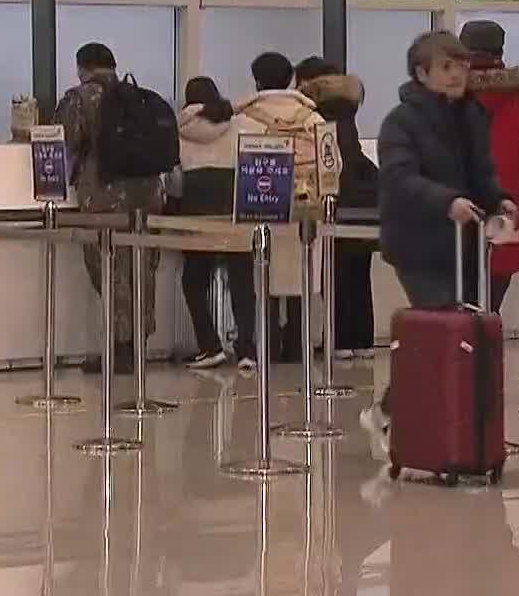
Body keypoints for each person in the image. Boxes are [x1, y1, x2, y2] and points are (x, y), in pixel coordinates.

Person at [361, 30, 513, 455]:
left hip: (466, 244)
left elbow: (481, 171)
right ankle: (389, 415)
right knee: (437, 328)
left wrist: (498, 200)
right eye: (446, 67)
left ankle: (453, 428)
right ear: (422, 73)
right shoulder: (400, 122)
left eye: (462, 66)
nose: (456, 75)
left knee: (469, 335)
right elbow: (399, 177)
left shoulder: (472, 116)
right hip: (418, 244)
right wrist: (446, 202)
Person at [54, 41, 164, 374]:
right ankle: (138, 346)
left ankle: (119, 350)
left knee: (109, 268)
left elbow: (64, 140)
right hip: (147, 195)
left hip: (104, 196)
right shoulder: (140, 95)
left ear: (82, 67)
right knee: (142, 267)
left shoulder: (80, 97)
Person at [233, 51, 325, 362]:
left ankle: (267, 348)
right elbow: (331, 165)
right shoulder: (314, 118)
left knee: (263, 282)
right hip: (306, 213)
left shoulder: (245, 120)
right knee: (301, 280)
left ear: (257, 81)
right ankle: (300, 349)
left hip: (259, 212)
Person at [458, 21, 519, 316]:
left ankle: (459, 353)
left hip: (453, 214)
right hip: (505, 212)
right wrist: (514, 177)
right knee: (491, 304)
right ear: (501, 51)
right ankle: (486, 350)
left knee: (457, 304)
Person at [294, 56, 380, 358]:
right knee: (359, 272)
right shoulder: (348, 105)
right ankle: (363, 339)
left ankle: (340, 341)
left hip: (337, 193)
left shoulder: (315, 110)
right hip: (364, 192)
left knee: (336, 272)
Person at [173, 76, 257, 371]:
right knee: (242, 279)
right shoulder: (238, 124)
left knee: (194, 280)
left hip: (197, 204)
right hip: (235, 202)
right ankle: (247, 350)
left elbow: (174, 182)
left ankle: (210, 345)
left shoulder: (180, 129)